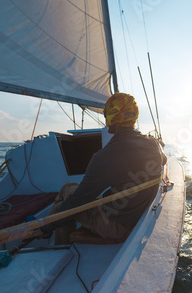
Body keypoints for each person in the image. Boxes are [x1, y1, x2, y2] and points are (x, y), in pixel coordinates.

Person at [41, 92, 166, 244]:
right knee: (70, 189)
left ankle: (59, 245)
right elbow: (164, 160)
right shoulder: (153, 144)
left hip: (114, 225)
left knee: (65, 195)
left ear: (112, 118)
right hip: (136, 215)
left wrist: (46, 227)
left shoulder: (106, 156)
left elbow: (79, 200)